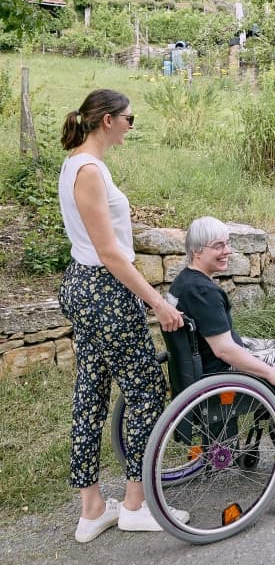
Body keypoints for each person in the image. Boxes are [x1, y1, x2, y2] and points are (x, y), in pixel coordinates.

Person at [58, 89, 189, 544]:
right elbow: (110, 253)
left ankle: (92, 509)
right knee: (146, 391)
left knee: (90, 393)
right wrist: (158, 302)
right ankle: (136, 505)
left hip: (83, 286)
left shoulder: (78, 163)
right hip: (103, 290)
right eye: (130, 119)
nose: (132, 127)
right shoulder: (89, 170)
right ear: (108, 120)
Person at [169, 215, 275, 465]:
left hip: (201, 359)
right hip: (219, 368)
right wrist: (270, 373)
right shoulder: (204, 292)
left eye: (227, 243)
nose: (227, 251)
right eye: (218, 246)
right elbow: (224, 350)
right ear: (197, 251)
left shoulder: (184, 281)